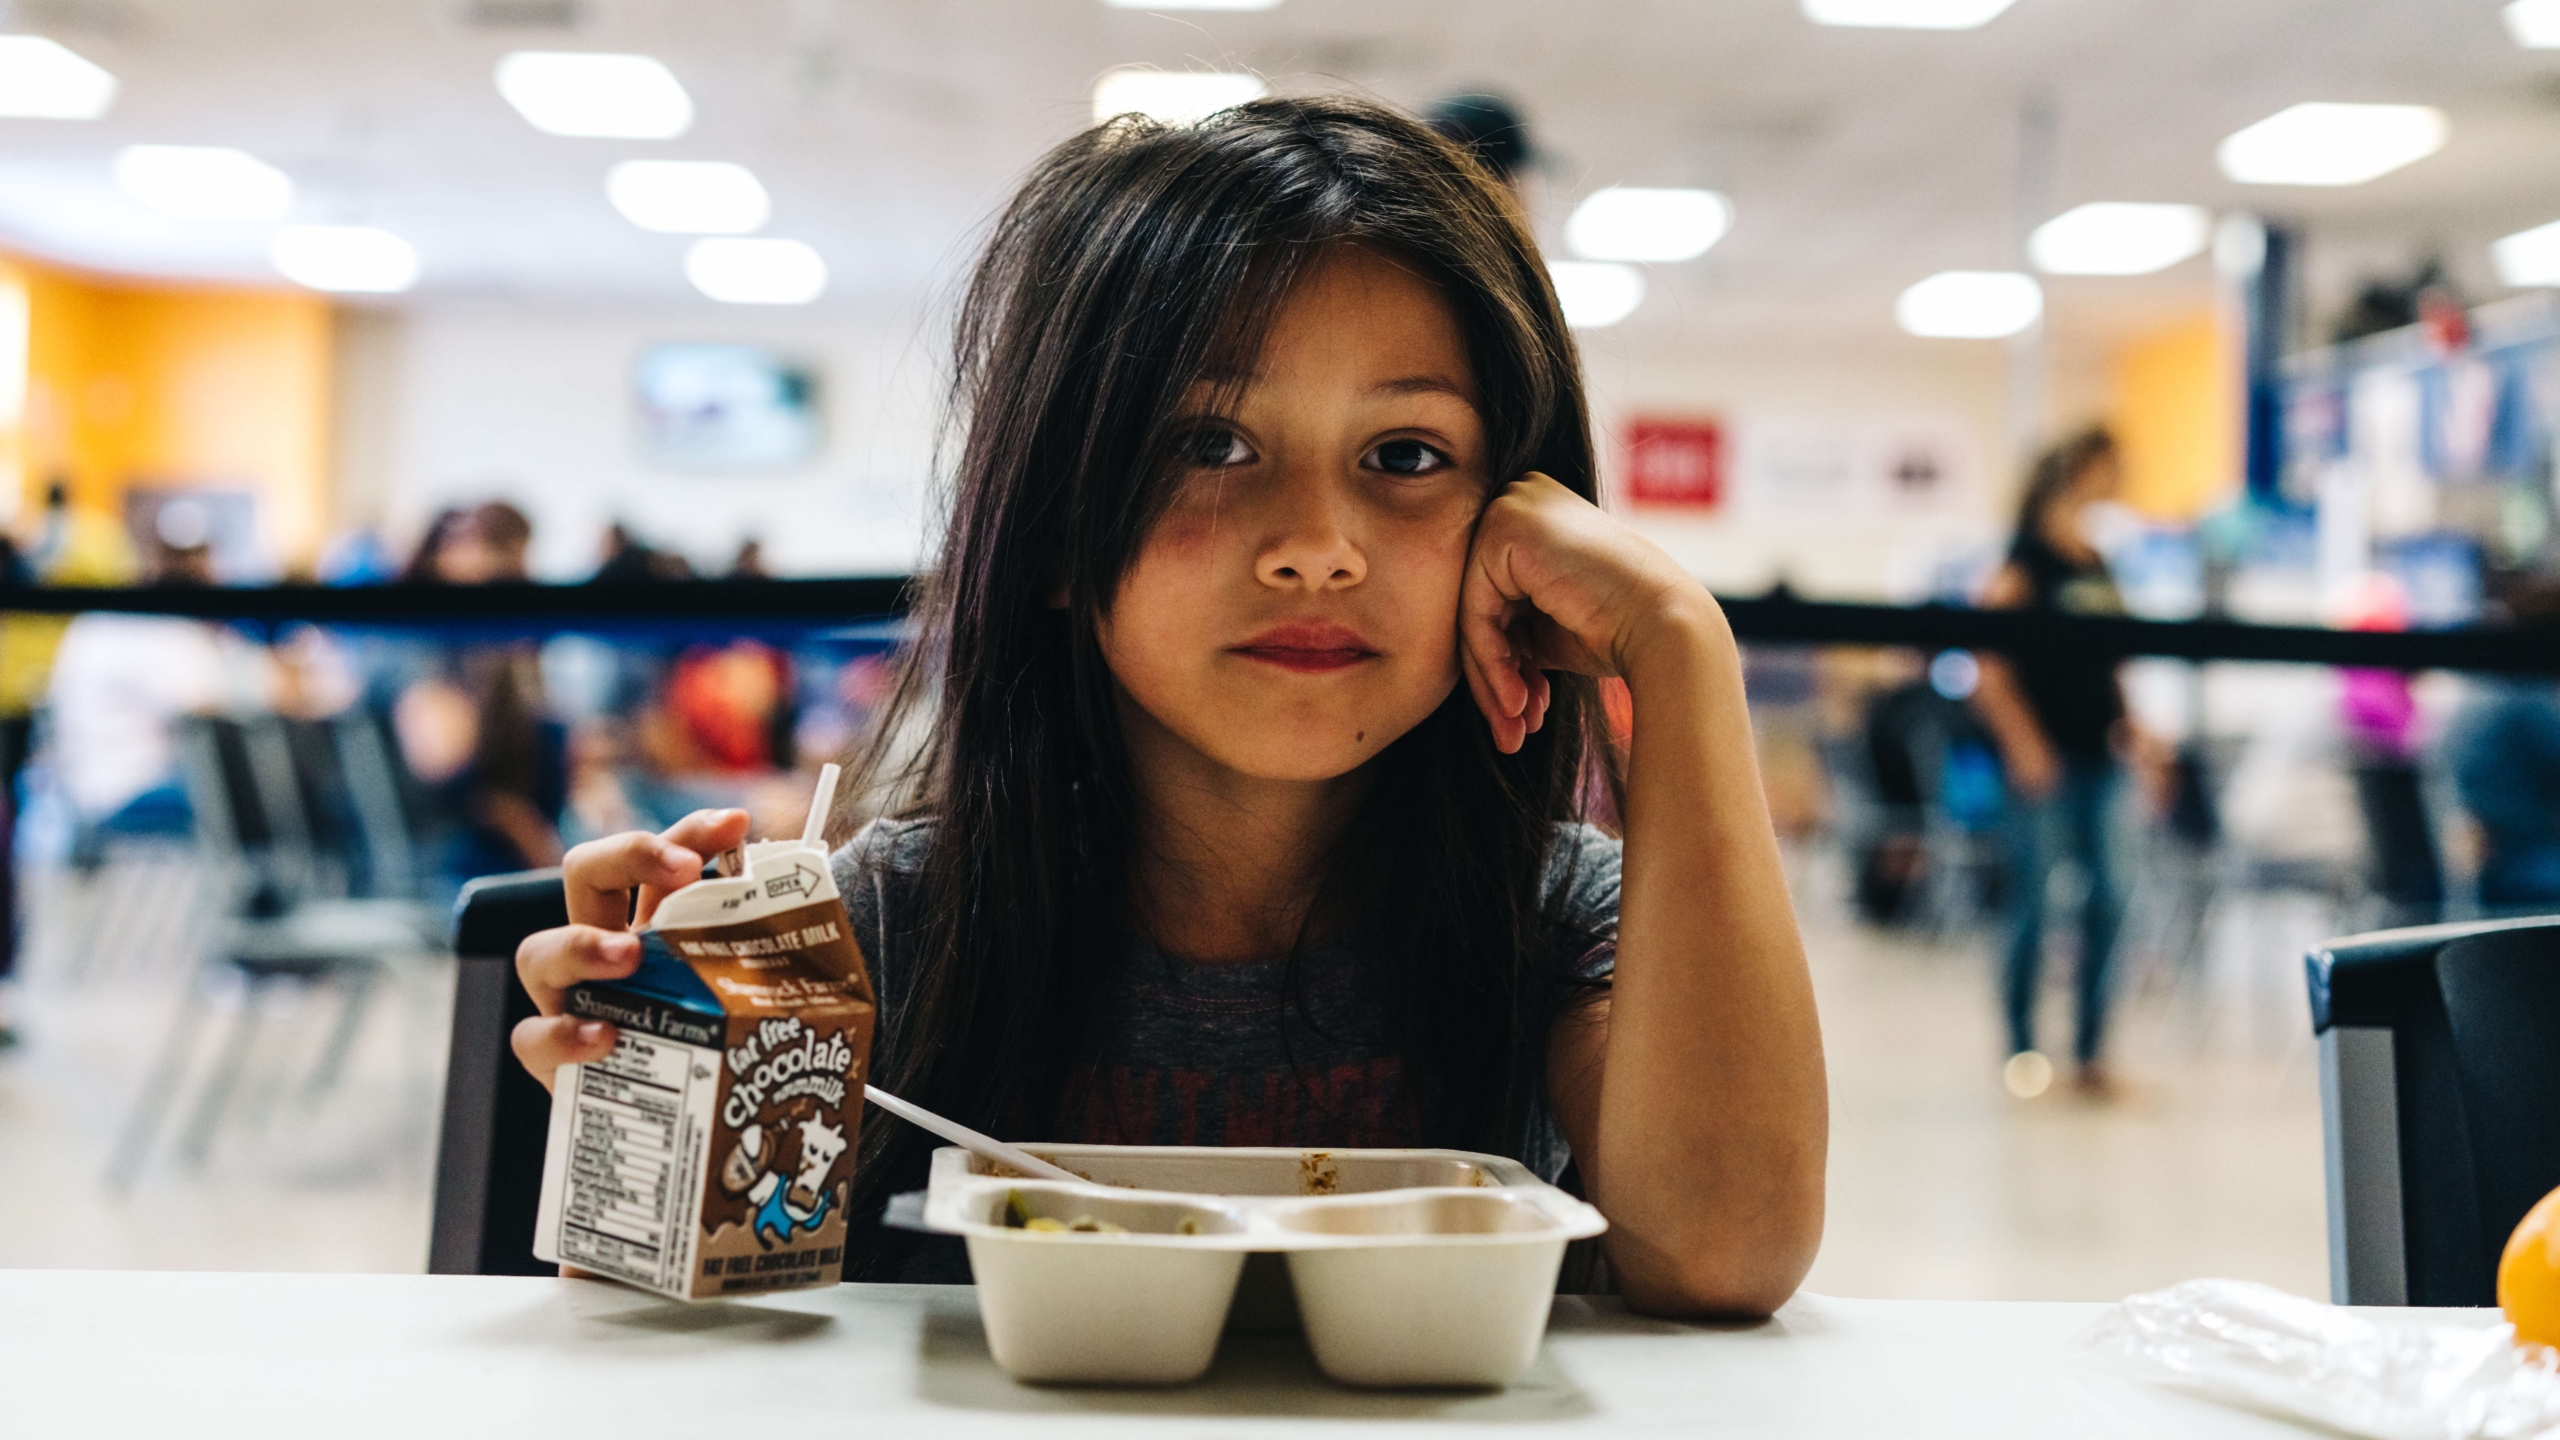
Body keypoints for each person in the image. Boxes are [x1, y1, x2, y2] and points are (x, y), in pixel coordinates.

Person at [506, 98, 1827, 1316]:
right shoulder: (897, 921)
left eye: (1406, 456)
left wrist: (1676, 643)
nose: (1317, 546)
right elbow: (680, 1351)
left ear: (1518, 526)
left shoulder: (1555, 917)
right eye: (1211, 445)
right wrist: (647, 1127)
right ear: (1062, 537)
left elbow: (1728, 1249)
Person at [1970, 427, 2142, 1100]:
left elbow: (2115, 657)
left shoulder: (2097, 562)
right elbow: (1989, 669)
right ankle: (2022, 1050)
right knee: (2035, 906)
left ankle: (2093, 1052)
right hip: (2045, 763)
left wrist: (2133, 727)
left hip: (2101, 758)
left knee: (2112, 903)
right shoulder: (2023, 565)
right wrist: (2024, 744)